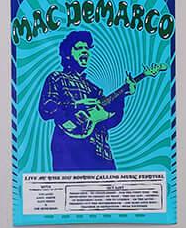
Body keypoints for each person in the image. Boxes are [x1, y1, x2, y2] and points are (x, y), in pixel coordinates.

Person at [36, 29, 140, 173]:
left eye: (86, 48)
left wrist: (123, 95)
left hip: (101, 152)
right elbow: (46, 107)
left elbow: (111, 120)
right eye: (79, 48)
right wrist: (75, 107)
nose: (84, 51)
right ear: (67, 55)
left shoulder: (95, 90)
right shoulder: (57, 78)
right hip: (70, 149)